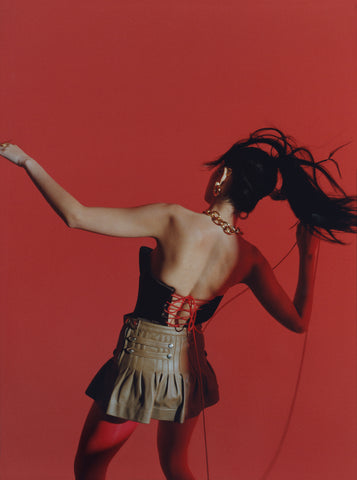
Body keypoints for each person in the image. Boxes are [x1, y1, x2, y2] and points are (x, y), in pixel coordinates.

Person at [1, 128, 356, 480]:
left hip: (139, 359)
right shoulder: (250, 259)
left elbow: (75, 216)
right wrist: (308, 255)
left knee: (89, 467)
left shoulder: (173, 218)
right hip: (189, 370)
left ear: (225, 175)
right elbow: (298, 321)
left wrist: (26, 161)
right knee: (176, 467)